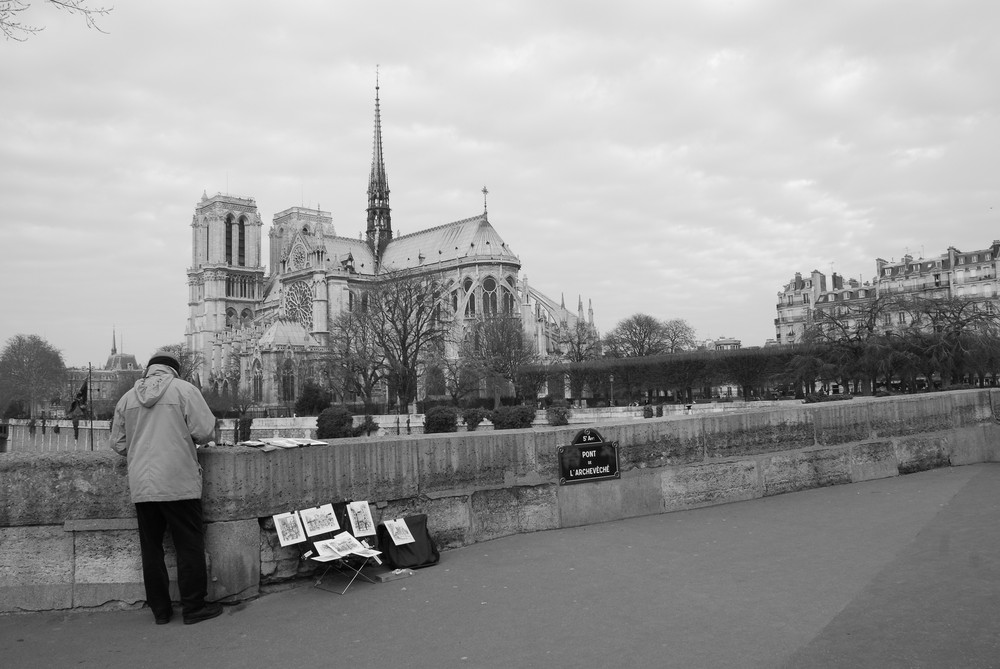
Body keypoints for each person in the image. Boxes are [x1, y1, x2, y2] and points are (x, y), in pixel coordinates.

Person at [110, 350, 222, 626]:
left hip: (142, 485)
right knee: (188, 546)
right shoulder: (184, 390)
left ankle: (160, 611)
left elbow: (118, 444)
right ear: (174, 371)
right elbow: (206, 431)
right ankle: (194, 607)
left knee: (152, 549)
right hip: (178, 481)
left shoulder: (127, 398)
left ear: (149, 370)